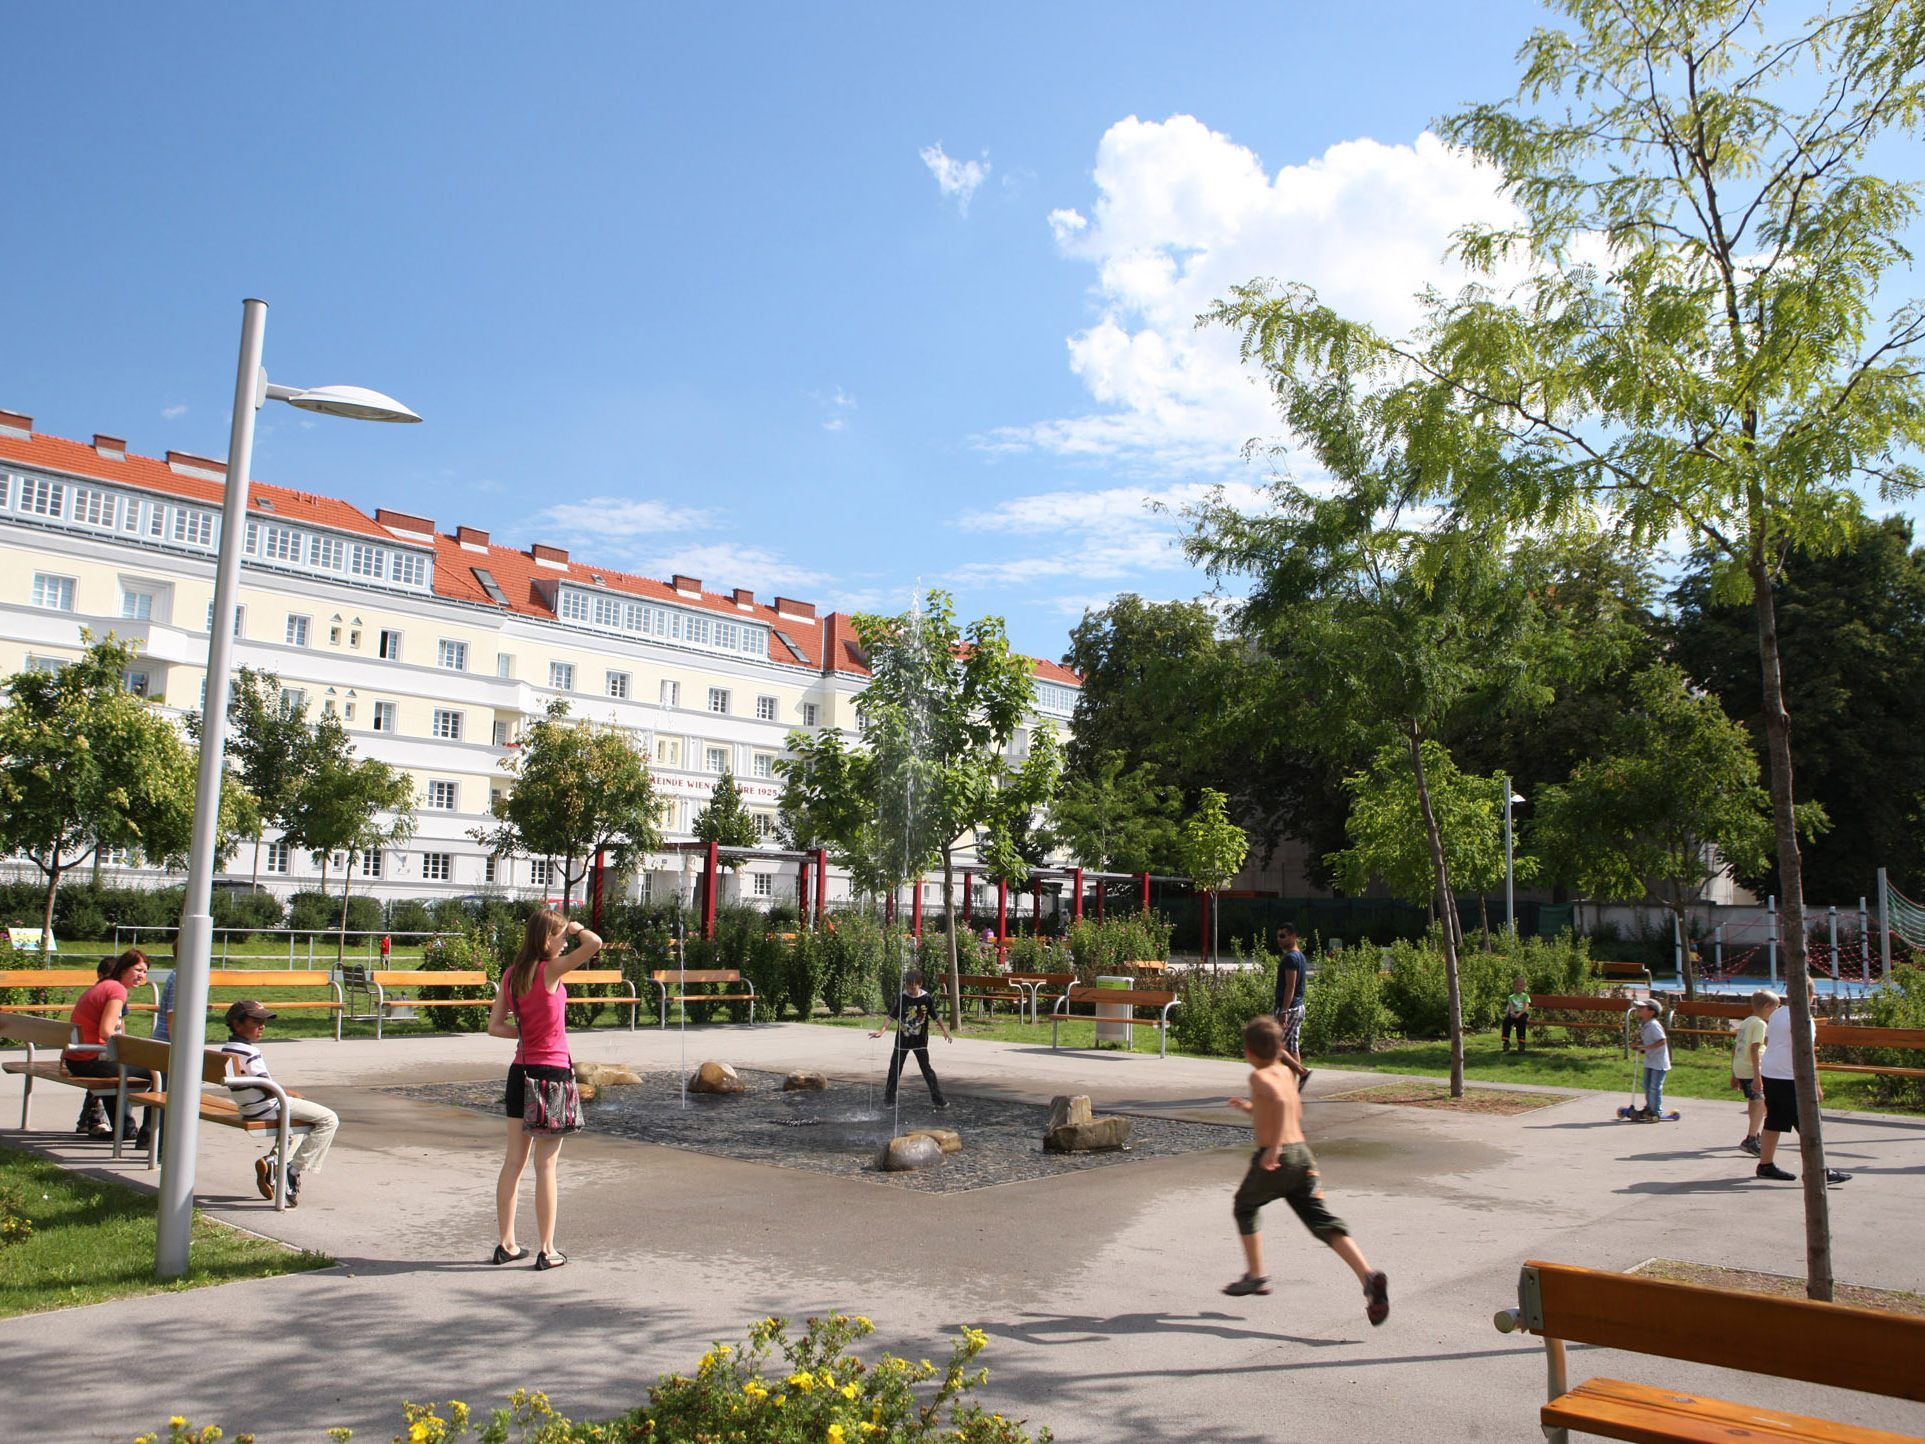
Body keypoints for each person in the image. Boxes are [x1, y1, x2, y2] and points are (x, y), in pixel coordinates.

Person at [1222, 1015, 1388, 1325]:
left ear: (1248, 1052)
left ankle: (1256, 1274)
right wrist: (1249, 1108)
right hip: (1303, 1157)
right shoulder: (1286, 1072)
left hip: (1279, 1158)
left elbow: (1281, 1104)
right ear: (1280, 1048)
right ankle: (1368, 1276)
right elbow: (1282, 1102)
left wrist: (1273, 1148)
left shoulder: (1259, 1077)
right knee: (1322, 1222)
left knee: (1245, 1206)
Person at [487, 910, 602, 1268]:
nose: (566, 941)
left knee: (513, 1163)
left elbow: (495, 1027)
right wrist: (577, 925)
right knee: (546, 1167)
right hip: (550, 1075)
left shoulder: (511, 975)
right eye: (561, 935)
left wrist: (526, 1034)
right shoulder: (550, 971)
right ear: (546, 939)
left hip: (519, 1072)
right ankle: (547, 1250)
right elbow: (595, 944)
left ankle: (506, 1244)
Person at [220, 999, 339, 1206]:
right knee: (329, 1119)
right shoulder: (249, 1052)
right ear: (238, 1024)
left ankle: (274, 1160)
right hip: (267, 1108)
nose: (262, 1026)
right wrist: (288, 1094)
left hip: (249, 1107)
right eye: (256, 1022)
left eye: (263, 1022)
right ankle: (291, 1171)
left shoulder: (228, 1048)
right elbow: (266, 1086)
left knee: (298, 1124)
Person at [1755, 980, 1851, 1186]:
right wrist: (1816, 1084)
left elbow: (1771, 1042)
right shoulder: (1803, 1018)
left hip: (1772, 1073)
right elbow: (1806, 1052)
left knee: (1774, 1120)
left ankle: (1765, 1164)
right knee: (1810, 1124)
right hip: (1791, 1076)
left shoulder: (1777, 1013)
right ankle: (1819, 1170)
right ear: (1809, 995)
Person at [63, 948, 153, 1145]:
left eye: (145, 971)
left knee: (117, 1072)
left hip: (78, 1058)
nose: (142, 975)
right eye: (138, 969)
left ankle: (125, 1129)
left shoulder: (104, 985)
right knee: (161, 1072)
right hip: (90, 1058)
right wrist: (133, 1050)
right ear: (123, 969)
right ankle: (148, 1136)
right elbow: (106, 1032)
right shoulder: (117, 989)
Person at [870, 968, 951, 1109]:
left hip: (920, 1041)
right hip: (903, 1040)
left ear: (920, 984)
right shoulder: (902, 998)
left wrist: (945, 1030)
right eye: (908, 986)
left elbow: (936, 1016)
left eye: (913, 987)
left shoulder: (926, 998)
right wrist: (882, 1031)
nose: (911, 989)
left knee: (927, 1070)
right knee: (894, 1069)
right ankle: (889, 1099)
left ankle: (937, 1099)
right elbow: (891, 1016)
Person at [1732, 989, 1776, 1156]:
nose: (1774, 1013)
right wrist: (1758, 1076)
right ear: (1766, 1006)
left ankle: (1754, 1134)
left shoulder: (1747, 1021)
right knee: (1760, 1102)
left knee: (1754, 1101)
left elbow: (1736, 1047)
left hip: (1741, 1067)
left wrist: (1734, 1073)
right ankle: (1751, 1139)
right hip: (1752, 1069)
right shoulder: (1759, 1024)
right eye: (1774, 1008)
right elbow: (1755, 1048)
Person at [1270, 925, 1313, 1090]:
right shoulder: (1300, 956)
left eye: (1283, 936)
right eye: (1278, 936)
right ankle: (1292, 1085)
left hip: (1290, 1008)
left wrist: (1284, 1011)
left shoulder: (1291, 958)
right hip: (1297, 1007)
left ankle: (1301, 1072)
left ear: (1293, 936)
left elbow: (1291, 986)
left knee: (1273, 1045)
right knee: (1291, 1046)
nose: (1279, 939)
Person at [1630, 999, 1671, 1119]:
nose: (1638, 1010)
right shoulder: (1644, 1024)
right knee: (1646, 1085)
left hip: (1659, 1062)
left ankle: (1656, 1111)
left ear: (1651, 1012)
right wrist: (1638, 1044)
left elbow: (1662, 1041)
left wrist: (1646, 1047)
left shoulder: (1654, 1024)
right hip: (1649, 1061)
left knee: (1654, 1087)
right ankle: (1649, 1107)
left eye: (1642, 1008)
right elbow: (1648, 1040)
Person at [1501, 976, 1531, 1053]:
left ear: (1524, 986)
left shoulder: (1525, 996)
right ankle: (1506, 1041)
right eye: (1517, 985)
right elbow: (1511, 1007)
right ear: (1514, 986)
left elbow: (1526, 1007)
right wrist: (1512, 1013)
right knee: (1506, 1021)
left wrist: (1519, 1014)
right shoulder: (1511, 997)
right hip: (1514, 1013)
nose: (1519, 987)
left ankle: (1521, 1042)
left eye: (1521, 985)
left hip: (1523, 1013)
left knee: (1521, 1022)